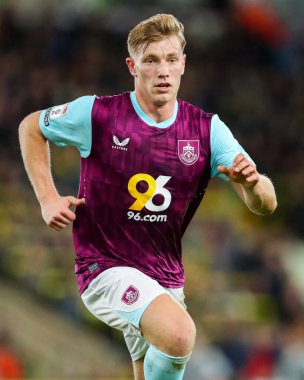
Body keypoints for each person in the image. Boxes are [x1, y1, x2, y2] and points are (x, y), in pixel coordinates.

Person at [18, 13, 277, 380]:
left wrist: (252, 184)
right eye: (151, 60)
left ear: (183, 64)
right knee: (180, 334)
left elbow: (266, 203)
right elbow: (31, 126)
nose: (163, 71)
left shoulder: (207, 130)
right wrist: (47, 198)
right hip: (104, 265)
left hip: (165, 276)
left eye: (171, 60)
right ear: (132, 66)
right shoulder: (98, 114)